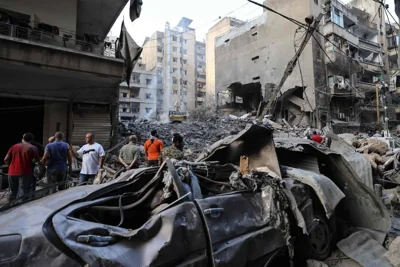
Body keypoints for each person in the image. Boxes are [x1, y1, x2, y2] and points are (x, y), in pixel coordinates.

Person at [4, 133, 40, 201]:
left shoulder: (14, 146)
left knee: (12, 191)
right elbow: (37, 160)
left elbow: (5, 159)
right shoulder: (33, 148)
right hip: (25, 172)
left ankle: (10, 207)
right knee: (23, 191)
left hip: (12, 172)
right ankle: (20, 207)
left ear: (23, 138)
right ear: (32, 140)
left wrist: (11, 166)